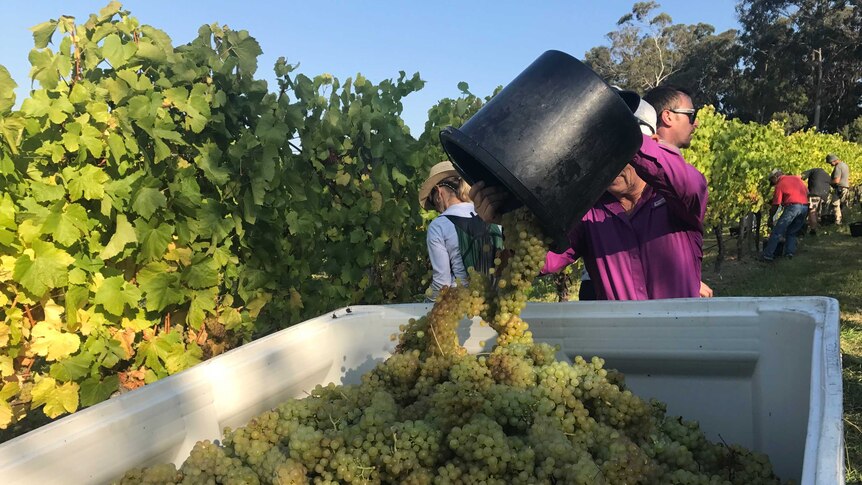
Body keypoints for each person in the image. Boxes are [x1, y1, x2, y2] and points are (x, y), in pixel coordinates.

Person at [472, 85, 709, 300]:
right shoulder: (589, 214)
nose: (605, 164)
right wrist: (508, 222)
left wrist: (618, 136)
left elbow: (684, 179)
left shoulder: (680, 197)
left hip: (682, 341)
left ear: (650, 144)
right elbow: (540, 263)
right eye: (594, 155)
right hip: (622, 345)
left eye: (615, 152)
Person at [419, 161, 502, 301]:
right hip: (498, 305)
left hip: (464, 307)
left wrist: (427, 303)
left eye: (433, 202)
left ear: (439, 192)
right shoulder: (494, 216)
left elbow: (442, 283)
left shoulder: (439, 226)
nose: (437, 208)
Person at [761, 169, 809, 261]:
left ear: (775, 177)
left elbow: (776, 204)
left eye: (772, 181)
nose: (773, 183)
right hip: (804, 207)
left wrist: (770, 217)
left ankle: (768, 255)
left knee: (777, 231)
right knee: (792, 232)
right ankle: (789, 254)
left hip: (793, 208)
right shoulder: (797, 179)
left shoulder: (780, 184)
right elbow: (807, 192)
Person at [801, 166, 831, 234]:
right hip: (824, 195)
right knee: (819, 212)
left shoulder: (812, 171)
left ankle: (813, 229)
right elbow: (833, 182)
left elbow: (801, 176)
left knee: (812, 211)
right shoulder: (826, 174)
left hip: (814, 194)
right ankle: (820, 227)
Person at [827, 153, 850, 224]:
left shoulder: (838, 167)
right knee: (844, 205)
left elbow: (837, 180)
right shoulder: (845, 165)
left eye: (830, 163)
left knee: (835, 204)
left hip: (839, 188)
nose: (831, 165)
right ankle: (847, 220)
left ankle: (838, 221)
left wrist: (828, 182)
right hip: (845, 187)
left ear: (833, 161)